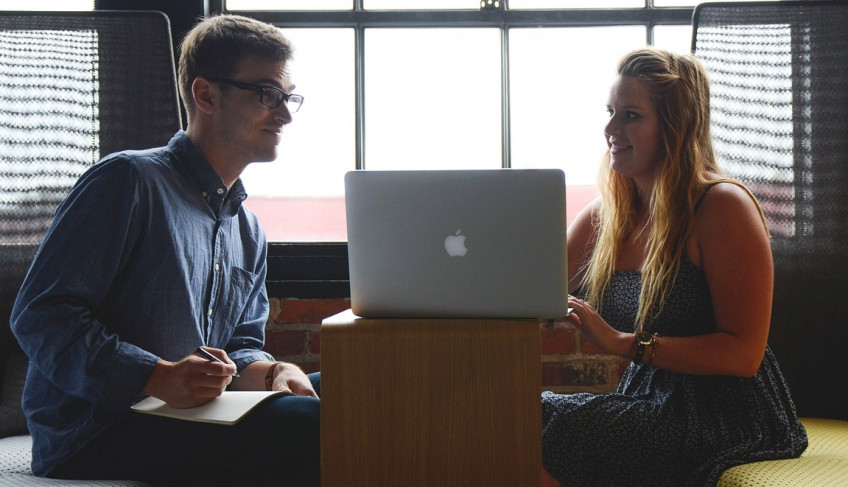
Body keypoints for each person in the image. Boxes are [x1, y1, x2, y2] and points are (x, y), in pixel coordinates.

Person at [11, 14, 320, 486]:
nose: (285, 114)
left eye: (287, 96)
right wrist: (154, 376)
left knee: (357, 395)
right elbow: (41, 315)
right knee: (326, 429)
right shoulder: (127, 181)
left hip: (197, 414)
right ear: (206, 94)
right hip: (98, 430)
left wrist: (275, 370)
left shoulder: (247, 228)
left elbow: (238, 347)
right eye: (266, 94)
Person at [540, 48, 807, 487]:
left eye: (630, 115)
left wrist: (624, 342)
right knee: (519, 420)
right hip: (644, 403)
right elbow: (527, 291)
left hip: (727, 415)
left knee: (547, 433)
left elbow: (744, 355)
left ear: (674, 127)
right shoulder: (604, 219)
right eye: (610, 112)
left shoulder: (721, 208)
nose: (610, 129)